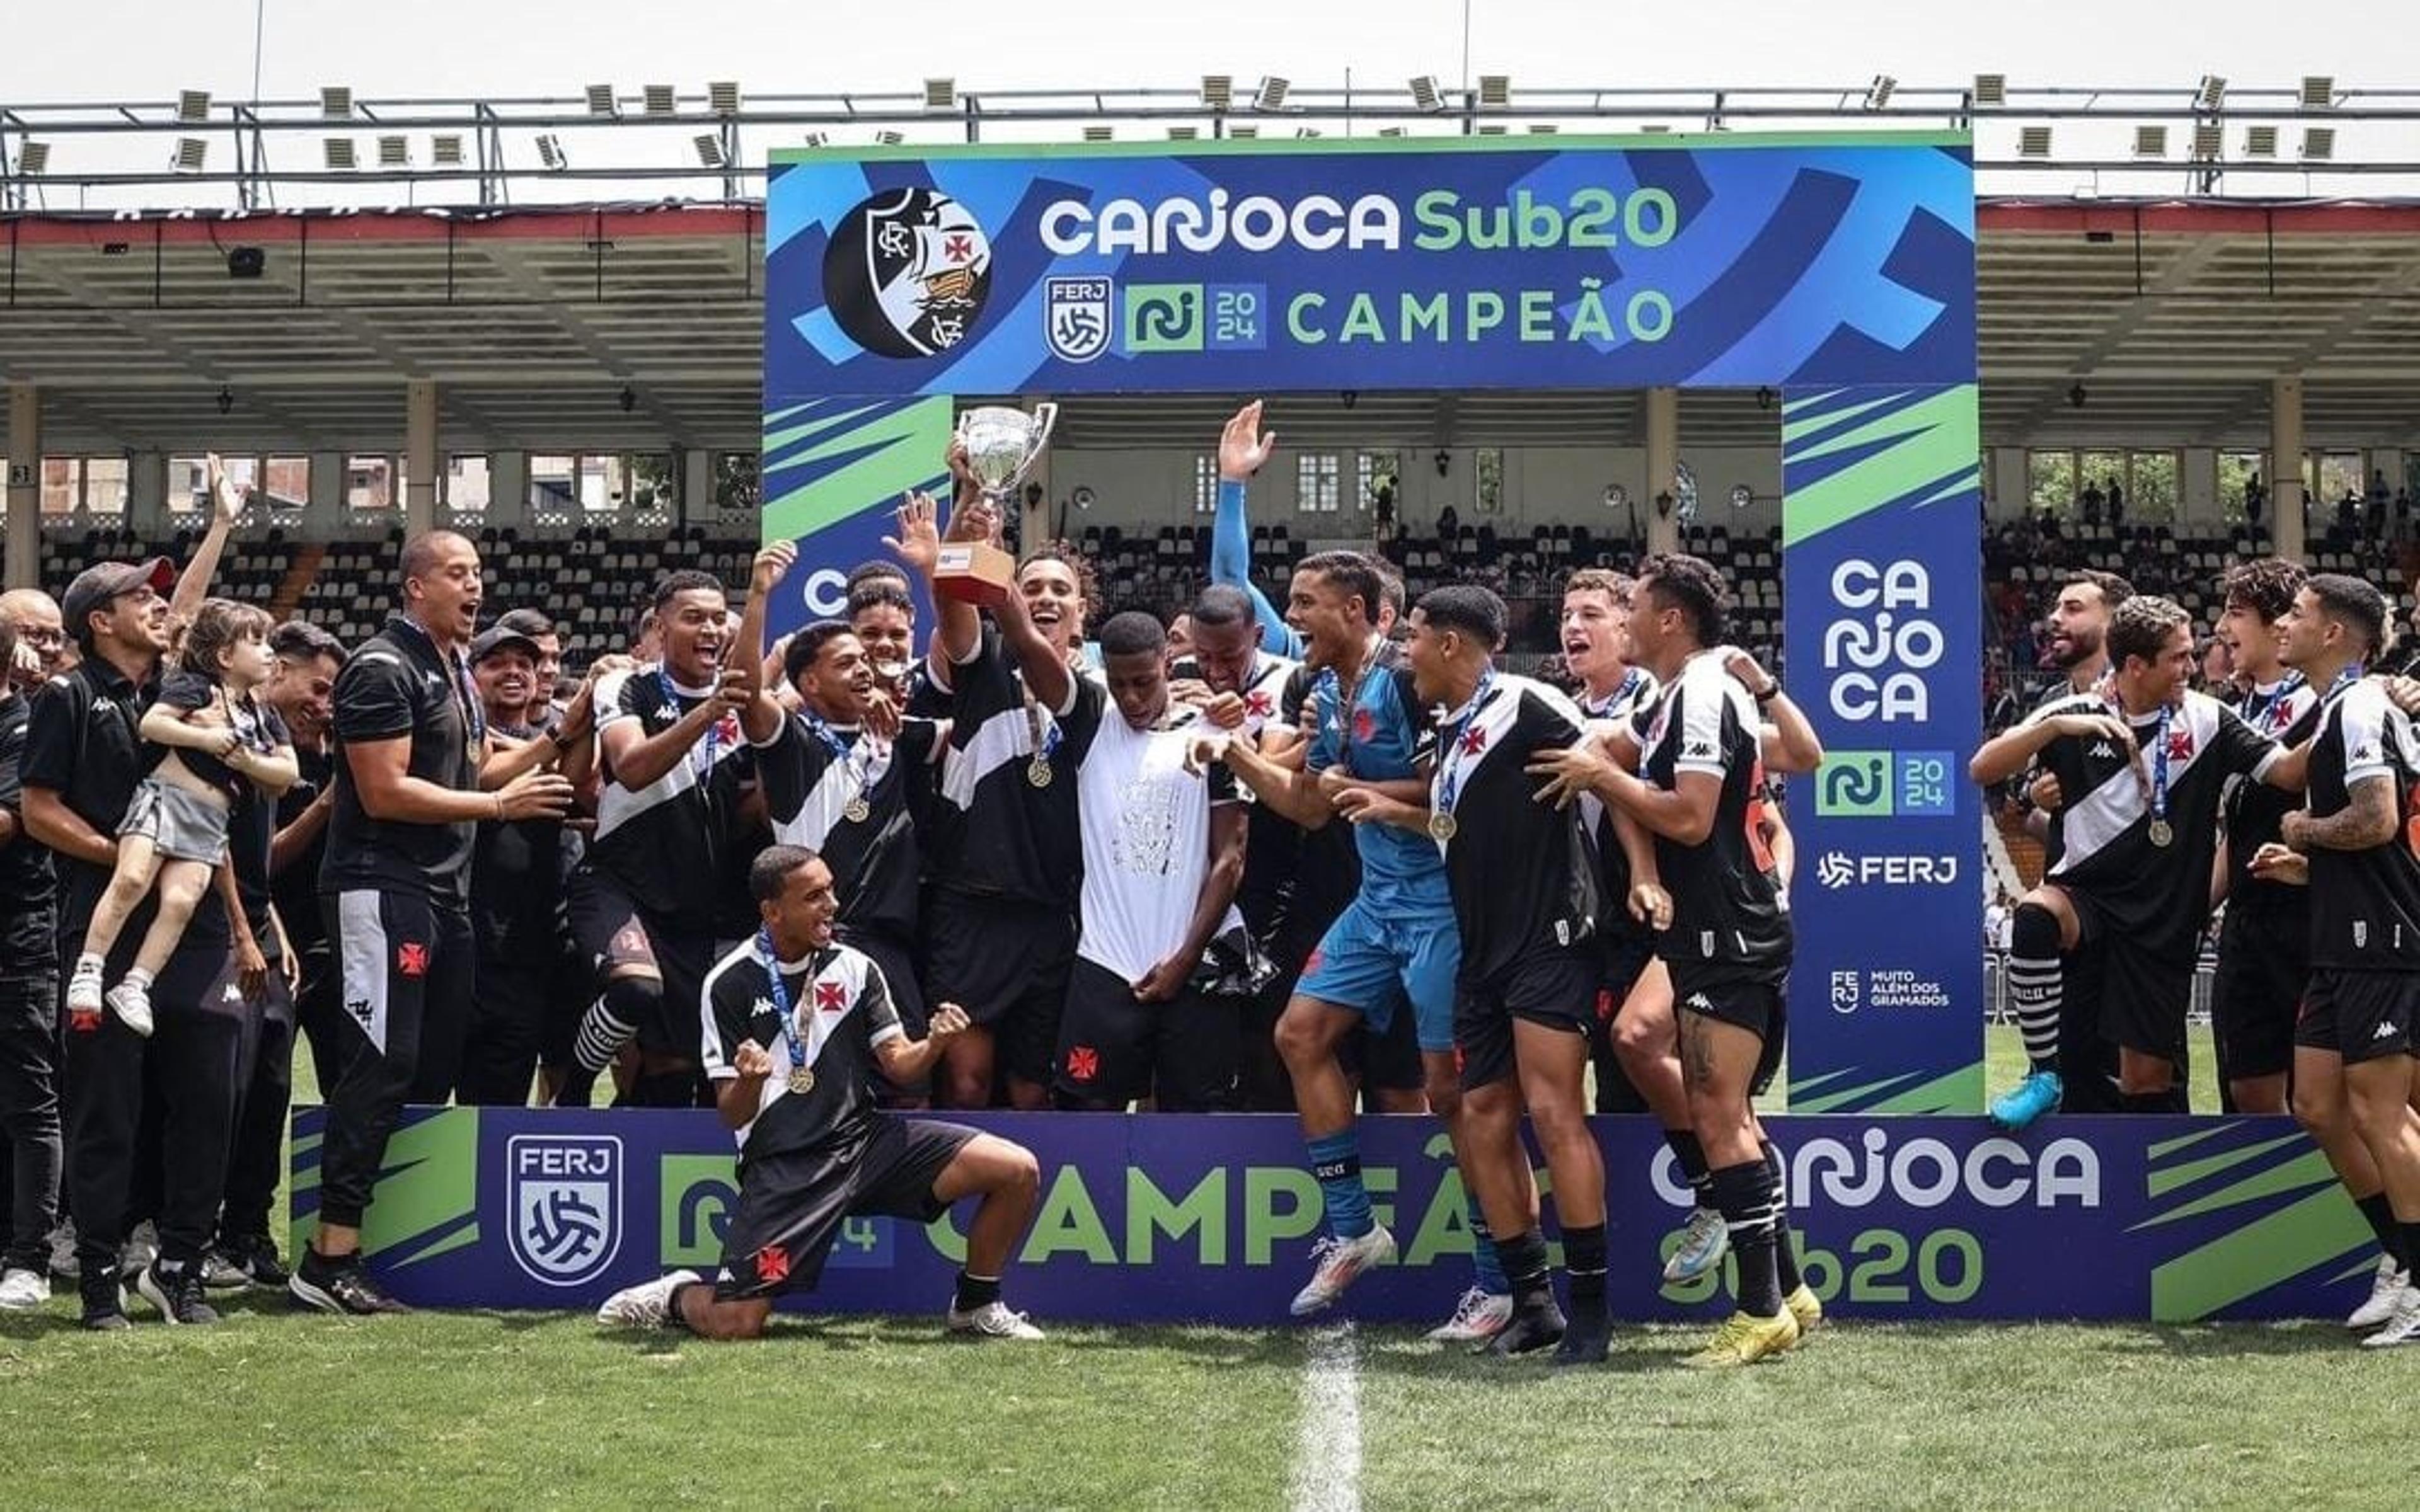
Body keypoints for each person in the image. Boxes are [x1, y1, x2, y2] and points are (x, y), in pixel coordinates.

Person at [1530, 553, 1820, 1367]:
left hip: (1729, 930)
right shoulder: (1675, 699)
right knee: (1729, 1115)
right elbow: (1801, 753)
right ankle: (1788, 1292)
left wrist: (1603, 779)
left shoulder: (1698, 694)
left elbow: (1690, 819)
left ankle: (1760, 1310)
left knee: (1722, 1117)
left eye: (1634, 609)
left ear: (1667, 620)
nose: (1619, 623)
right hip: (1711, 932)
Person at [1217, 550, 1509, 1343]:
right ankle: (1355, 1229)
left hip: (1440, 910)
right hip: (1372, 907)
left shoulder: (1410, 684)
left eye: (1306, 602)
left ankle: (1498, 1283)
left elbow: (1458, 782)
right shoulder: (1318, 691)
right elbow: (1312, 808)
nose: (1294, 615)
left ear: (1356, 610)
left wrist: (1373, 794)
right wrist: (1234, 753)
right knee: (1298, 1034)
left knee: (1449, 1097)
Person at [593, 845, 1044, 1342]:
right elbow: (731, 1114)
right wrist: (750, 1080)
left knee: (1016, 1169)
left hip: (867, 1144)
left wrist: (934, 1044)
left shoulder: (855, 967)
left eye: (831, 890)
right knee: (734, 1325)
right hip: (788, 1166)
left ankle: (976, 1305)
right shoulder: (729, 983)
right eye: (814, 896)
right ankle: (676, 1295)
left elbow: (897, 1063)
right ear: (772, 911)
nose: (831, 904)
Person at [297, 532, 575, 1315]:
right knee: (382, 1064)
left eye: (480, 572)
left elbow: (475, 769)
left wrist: (558, 735)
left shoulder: (451, 666)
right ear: (415, 587)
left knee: (429, 1069)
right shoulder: (383, 667)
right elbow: (384, 791)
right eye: (458, 573)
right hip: (380, 888)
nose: (474, 585)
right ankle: (329, 1255)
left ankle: (397, 1241)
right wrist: (497, 809)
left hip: (440, 895)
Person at [1971, 595, 2298, 1131]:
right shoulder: (2075, 713)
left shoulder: (2209, 718)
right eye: (2179, 657)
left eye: (2192, 655)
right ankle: (2042, 1074)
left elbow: (2286, 772)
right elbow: (1983, 769)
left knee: (2145, 1082)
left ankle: (2153, 1192)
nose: (2191, 668)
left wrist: (2347, 702)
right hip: (2087, 900)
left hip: (2159, 924)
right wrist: (2054, 730)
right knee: (2034, 915)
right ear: (2136, 666)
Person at [1380, 585, 1606, 1360]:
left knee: (1553, 1113)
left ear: (1448, 643)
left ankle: (1594, 1311)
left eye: (1413, 637)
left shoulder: (1527, 699)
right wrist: (1393, 809)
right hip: (1481, 957)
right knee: (1480, 1119)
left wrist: (1635, 868)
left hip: (1547, 942)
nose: (1405, 653)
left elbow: (1613, 749)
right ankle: (1532, 1303)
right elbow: (1461, 825)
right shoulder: (1448, 732)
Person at [21, 556, 244, 1327]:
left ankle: (181, 1264)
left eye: (158, 595)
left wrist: (219, 526)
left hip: (196, 925)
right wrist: (123, 856)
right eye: (136, 597)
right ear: (99, 621)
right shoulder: (69, 696)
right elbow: (40, 806)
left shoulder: (176, 688)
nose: (156, 606)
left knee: (210, 1097)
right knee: (108, 1106)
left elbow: (189, 610)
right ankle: (96, 1275)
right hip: (106, 927)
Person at [2259, 575, 2420, 1344]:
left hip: (2382, 939)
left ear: (2333, 634)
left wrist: (2303, 832)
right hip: (2341, 933)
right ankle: (2400, 1256)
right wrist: (2309, 866)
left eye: (2296, 613)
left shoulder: (2359, 705)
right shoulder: (2339, 708)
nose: (2283, 624)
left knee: (2381, 1114)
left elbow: (2378, 819)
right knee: (2317, 1105)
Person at [561, 561, 783, 1109]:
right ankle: (573, 1088)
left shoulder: (746, 706)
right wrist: (709, 713)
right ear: (659, 630)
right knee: (635, 987)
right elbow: (631, 766)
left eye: (717, 620)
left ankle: (632, 1154)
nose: (709, 631)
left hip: (692, 906)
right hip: (617, 883)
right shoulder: (626, 685)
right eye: (693, 619)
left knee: (672, 1068)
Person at [912, 475, 1102, 1112]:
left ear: (1084, 612)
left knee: (1032, 1089)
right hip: (971, 908)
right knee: (966, 1079)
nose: (1046, 598)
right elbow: (952, 598)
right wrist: (971, 497)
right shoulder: (984, 665)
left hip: (1054, 914)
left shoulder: (1100, 694)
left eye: (1061, 590)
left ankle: (1030, 1205)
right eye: (1034, 586)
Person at [756, 525, 947, 1108]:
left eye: (894, 637)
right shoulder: (798, 723)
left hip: (901, 927)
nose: (880, 654)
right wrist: (774, 631)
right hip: (816, 927)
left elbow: (977, 731)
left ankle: (898, 1190)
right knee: (806, 1082)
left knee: (906, 1082)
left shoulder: (912, 715)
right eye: (864, 644)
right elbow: (748, 702)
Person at [64, 599, 296, 1037]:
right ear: (226, 657)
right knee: (132, 880)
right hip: (165, 801)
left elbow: (286, 775)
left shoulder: (263, 716)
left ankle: (136, 984)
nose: (271, 653)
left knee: (180, 903)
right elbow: (153, 725)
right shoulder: (196, 688)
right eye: (259, 642)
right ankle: (90, 968)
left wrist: (243, 758)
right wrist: (207, 739)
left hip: (211, 821)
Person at [1059, 612, 1247, 1112]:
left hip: (1194, 962)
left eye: (1144, 682)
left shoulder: (1217, 733)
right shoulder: (1093, 722)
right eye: (1119, 684)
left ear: (1169, 662)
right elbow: (1029, 646)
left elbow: (1230, 858)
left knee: (1193, 1117)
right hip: (1105, 960)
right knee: (1090, 1113)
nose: (1132, 698)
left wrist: (1185, 959)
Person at [219, 619, 345, 1288]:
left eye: (333, 694)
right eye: (315, 688)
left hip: (334, 949)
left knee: (348, 1092)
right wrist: (327, 803)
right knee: (258, 1092)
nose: (323, 705)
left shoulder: (339, 749)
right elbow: (256, 861)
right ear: (277, 672)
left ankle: (332, 1232)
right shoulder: (246, 747)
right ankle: (238, 1231)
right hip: (261, 944)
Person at [1168, 583, 1301, 1112]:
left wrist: (1234, 728)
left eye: (1230, 655)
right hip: (1187, 874)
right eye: (1204, 655)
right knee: (1194, 1044)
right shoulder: (1177, 677)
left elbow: (1283, 771)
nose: (1215, 668)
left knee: (1265, 1039)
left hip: (1272, 877)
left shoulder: (1291, 681)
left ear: (1258, 636)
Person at [460, 622, 601, 1106]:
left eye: (524, 663)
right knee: (432, 1085)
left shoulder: (553, 734)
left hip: (527, 943)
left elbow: (575, 781)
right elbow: (480, 775)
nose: (514, 672)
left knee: (503, 1093)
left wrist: (589, 708)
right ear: (471, 675)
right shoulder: (460, 730)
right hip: (462, 936)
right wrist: (561, 735)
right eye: (497, 663)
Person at [2210, 558, 2319, 1115]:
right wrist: (2194, 911)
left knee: (2318, 1097)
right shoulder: (2230, 709)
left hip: (2308, 919)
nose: (2223, 628)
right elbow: (2238, 830)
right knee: (2245, 1090)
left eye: (2236, 613)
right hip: (2246, 922)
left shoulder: (2326, 704)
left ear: (2278, 624)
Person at [0, 616, 60, 1310]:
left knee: (29, 1104)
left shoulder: (22, 726)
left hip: (18, 942)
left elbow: (11, 819)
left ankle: (31, 1258)